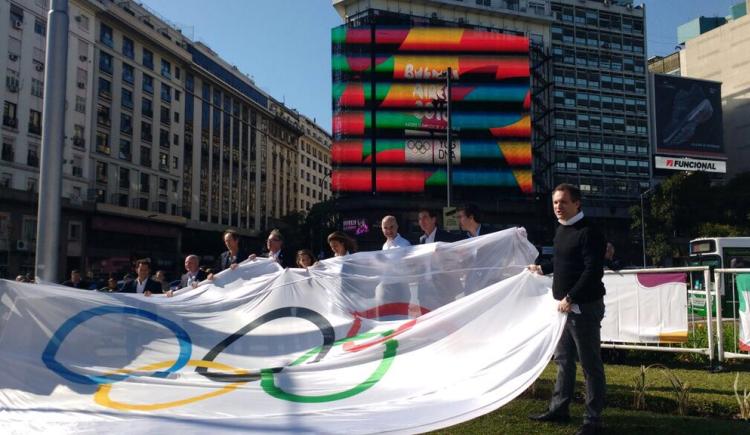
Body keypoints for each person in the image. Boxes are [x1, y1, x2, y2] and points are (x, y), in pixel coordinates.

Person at [528, 183, 606, 435]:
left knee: (589, 364)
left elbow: (592, 270)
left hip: (583, 307)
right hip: (563, 309)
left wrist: (571, 296)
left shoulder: (589, 232)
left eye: (563, 202)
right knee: (563, 361)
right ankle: (559, 408)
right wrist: (542, 268)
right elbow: (563, 261)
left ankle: (593, 420)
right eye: (555, 203)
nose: (558, 207)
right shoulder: (562, 230)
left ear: (577, 203)